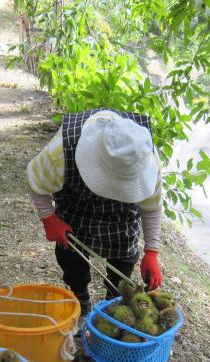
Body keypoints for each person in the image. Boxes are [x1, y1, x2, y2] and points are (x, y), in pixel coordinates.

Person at [26, 109, 163, 319]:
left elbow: (152, 206)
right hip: (76, 208)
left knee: (123, 265)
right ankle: (81, 302)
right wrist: (49, 218)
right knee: (71, 260)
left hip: (122, 217)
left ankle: (111, 308)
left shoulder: (145, 156)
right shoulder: (62, 150)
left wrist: (152, 252)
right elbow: (36, 181)